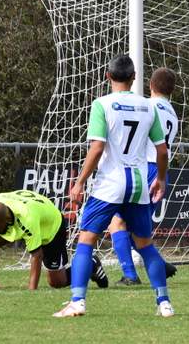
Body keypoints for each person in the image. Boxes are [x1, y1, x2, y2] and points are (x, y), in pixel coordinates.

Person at [54, 54, 175, 318]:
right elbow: (162, 151)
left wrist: (79, 182)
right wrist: (162, 179)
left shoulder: (102, 104)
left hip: (110, 183)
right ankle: (164, 303)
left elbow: (97, 148)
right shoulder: (148, 106)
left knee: (86, 240)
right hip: (139, 183)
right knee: (145, 245)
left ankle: (78, 302)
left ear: (108, 77)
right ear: (134, 79)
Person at [108, 67, 180, 286]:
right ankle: (158, 263)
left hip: (142, 168)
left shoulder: (146, 106)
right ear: (172, 90)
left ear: (150, 85)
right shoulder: (173, 114)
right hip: (159, 172)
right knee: (136, 229)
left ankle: (130, 275)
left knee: (117, 223)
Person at [0, 189, 107, 291]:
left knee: (57, 282)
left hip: (50, 228)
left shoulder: (27, 219)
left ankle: (91, 264)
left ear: (7, 220)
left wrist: (31, 291)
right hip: (25, 215)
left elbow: (36, 256)